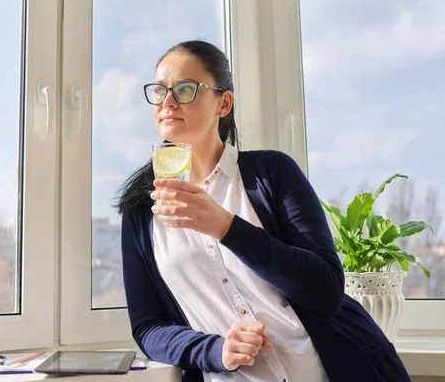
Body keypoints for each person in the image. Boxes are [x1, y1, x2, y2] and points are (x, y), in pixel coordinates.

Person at [115, 40, 410, 382]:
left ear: (223, 103)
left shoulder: (272, 173)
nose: (167, 101)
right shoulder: (140, 212)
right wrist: (214, 350)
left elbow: (327, 290)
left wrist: (226, 227)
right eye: (159, 90)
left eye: (184, 89)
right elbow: (149, 327)